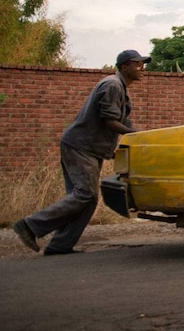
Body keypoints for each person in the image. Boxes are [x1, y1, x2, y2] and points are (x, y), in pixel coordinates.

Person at [12, 49, 151, 256]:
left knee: (87, 198)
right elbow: (110, 121)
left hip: (88, 147)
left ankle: (60, 245)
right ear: (124, 66)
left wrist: (131, 138)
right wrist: (137, 135)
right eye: (137, 64)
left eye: (142, 64)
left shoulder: (120, 88)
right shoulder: (112, 85)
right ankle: (29, 226)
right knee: (85, 194)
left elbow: (121, 122)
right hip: (80, 146)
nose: (142, 68)